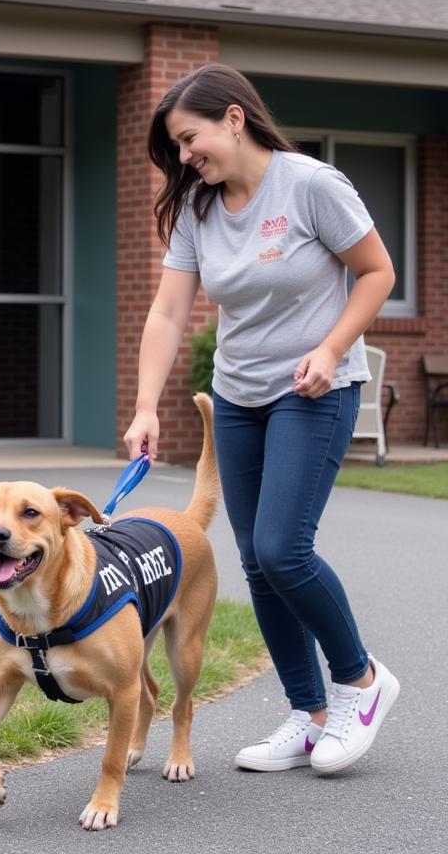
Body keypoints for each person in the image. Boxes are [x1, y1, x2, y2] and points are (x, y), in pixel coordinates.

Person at [123, 63, 399, 775]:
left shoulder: (310, 185)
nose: (185, 158)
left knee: (282, 549)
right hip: (240, 395)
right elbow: (168, 311)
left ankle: (362, 684)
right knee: (253, 561)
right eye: (178, 147)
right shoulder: (198, 209)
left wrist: (331, 347)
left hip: (316, 391)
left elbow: (378, 272)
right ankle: (308, 714)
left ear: (234, 119)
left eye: (190, 140)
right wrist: (147, 406)